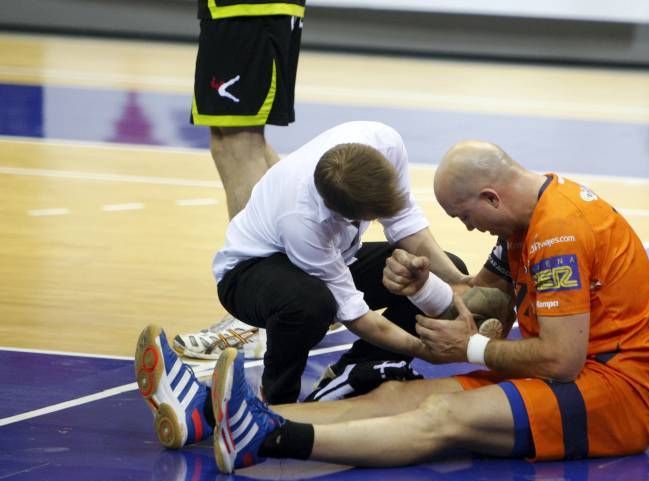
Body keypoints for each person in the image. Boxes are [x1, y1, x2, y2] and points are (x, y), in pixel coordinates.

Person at [206, 139, 649, 473]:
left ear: (491, 197)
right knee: (397, 397)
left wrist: (468, 349)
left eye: (466, 217)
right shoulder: (524, 220)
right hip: (575, 372)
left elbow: (561, 359)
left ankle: (273, 438)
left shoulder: (558, 234)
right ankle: (233, 419)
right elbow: (479, 302)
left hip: (617, 393)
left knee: (442, 419)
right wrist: (421, 285)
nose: (469, 230)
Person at [134, 121, 483, 449]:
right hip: (249, 273)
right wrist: (430, 352)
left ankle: (349, 378)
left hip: (336, 257)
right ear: (346, 216)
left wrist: (462, 282)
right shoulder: (302, 219)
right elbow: (356, 316)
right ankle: (274, 408)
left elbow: (405, 223)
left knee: (432, 277)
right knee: (311, 305)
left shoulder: (383, 141)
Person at [172, 0, 306, 361]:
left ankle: (259, 317)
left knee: (238, 144)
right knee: (232, 142)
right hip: (236, 10)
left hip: (248, 10)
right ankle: (304, 290)